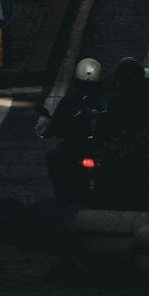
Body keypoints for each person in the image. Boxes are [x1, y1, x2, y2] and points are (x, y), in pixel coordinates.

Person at [38, 58, 105, 202]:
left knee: (53, 157)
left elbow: (57, 125)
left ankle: (61, 197)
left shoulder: (69, 101)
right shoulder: (104, 100)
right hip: (96, 148)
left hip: (77, 149)